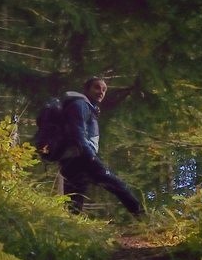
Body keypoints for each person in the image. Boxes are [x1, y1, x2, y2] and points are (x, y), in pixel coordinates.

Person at [58, 77, 143, 217]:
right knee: (116, 185)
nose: (101, 92)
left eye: (104, 90)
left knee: (74, 198)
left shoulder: (85, 107)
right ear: (86, 89)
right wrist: (89, 156)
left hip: (70, 158)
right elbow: (76, 131)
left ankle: (70, 229)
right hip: (82, 156)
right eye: (97, 87)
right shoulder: (80, 104)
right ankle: (142, 216)